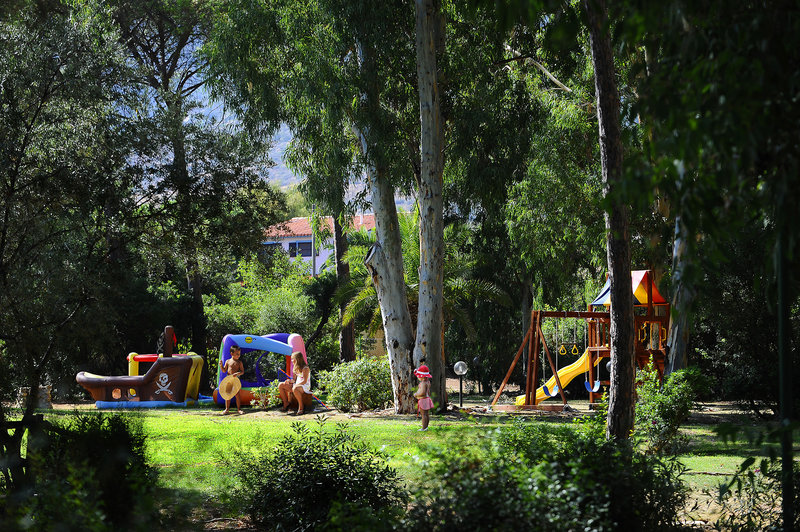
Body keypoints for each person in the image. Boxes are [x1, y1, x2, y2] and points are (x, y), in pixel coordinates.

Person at [220, 345, 244, 415]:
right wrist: (221, 366)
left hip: (235, 380)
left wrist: (237, 373)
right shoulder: (228, 361)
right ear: (232, 353)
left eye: (239, 354)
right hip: (228, 379)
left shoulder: (239, 362)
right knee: (227, 394)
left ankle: (239, 409)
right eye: (237, 354)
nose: (238, 355)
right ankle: (227, 409)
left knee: (237, 394)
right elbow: (224, 370)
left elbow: (242, 372)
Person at [414, 364, 433, 431]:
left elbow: (423, 392)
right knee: (426, 414)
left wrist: (416, 394)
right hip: (427, 399)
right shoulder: (428, 382)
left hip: (423, 400)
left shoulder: (423, 383)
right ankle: (426, 427)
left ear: (421, 376)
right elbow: (428, 392)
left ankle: (424, 427)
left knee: (423, 414)